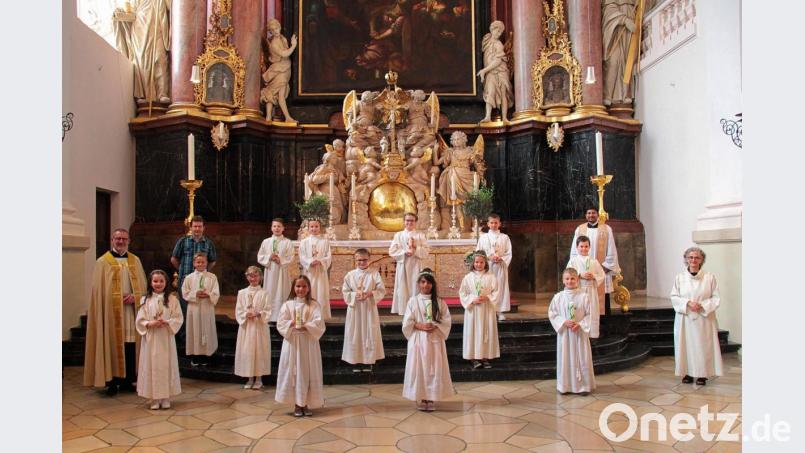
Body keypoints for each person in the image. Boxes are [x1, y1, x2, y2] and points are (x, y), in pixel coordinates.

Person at [84, 228, 148, 395]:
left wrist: (136, 297)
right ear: (112, 240)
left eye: (124, 239)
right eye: (117, 238)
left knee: (130, 345)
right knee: (111, 343)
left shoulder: (136, 261)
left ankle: (128, 381)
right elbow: (98, 292)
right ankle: (112, 381)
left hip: (132, 312)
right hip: (111, 314)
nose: (120, 242)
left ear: (129, 241)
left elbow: (143, 286)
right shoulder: (102, 262)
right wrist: (114, 298)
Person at [402, 268, 454, 411]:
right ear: (418, 283)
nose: (426, 285)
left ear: (433, 284)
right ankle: (421, 396)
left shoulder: (439, 302)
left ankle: (431, 397)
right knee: (420, 368)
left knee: (433, 368)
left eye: (429, 282)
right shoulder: (413, 301)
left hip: (434, 340)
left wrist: (436, 325)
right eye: (423, 282)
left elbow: (447, 320)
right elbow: (407, 322)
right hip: (418, 340)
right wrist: (419, 325)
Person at [671, 247, 723, 386]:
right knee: (685, 344)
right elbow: (674, 296)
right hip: (686, 317)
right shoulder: (680, 278)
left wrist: (703, 305)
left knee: (703, 345)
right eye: (691, 257)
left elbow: (716, 298)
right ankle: (687, 372)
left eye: (697, 257)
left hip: (703, 318)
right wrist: (687, 303)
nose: (693, 260)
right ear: (686, 259)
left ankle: (702, 374)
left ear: (702, 260)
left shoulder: (709, 277)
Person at [275, 276, 326, 417]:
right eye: (298, 286)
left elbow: (319, 323)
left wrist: (306, 326)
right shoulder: (287, 305)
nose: (300, 289)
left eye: (304, 286)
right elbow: (280, 323)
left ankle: (306, 403)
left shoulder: (314, 305)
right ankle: (297, 404)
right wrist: (291, 323)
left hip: (308, 343)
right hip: (292, 343)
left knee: (307, 372)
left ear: (308, 288)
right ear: (293, 288)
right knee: (294, 372)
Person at [135, 270, 183, 410]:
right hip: (152, 338)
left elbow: (178, 317)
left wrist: (168, 322)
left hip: (166, 338)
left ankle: (166, 397)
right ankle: (154, 398)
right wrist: (149, 324)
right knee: (152, 366)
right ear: (150, 283)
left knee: (165, 366)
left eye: (161, 281)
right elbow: (140, 319)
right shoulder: (145, 300)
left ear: (166, 282)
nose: (158, 284)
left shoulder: (172, 300)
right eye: (155, 281)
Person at [113, 0, 171, 105]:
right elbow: (131, 14)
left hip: (156, 30)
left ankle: (162, 93)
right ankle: (146, 94)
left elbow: (172, 6)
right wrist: (120, 15)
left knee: (160, 59)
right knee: (142, 63)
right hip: (139, 31)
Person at [548, 268, 595, 394]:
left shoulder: (584, 297)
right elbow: (552, 314)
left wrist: (580, 324)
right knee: (565, 358)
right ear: (563, 280)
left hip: (579, 333)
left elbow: (590, 315)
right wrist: (563, 322)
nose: (570, 281)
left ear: (577, 280)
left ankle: (583, 386)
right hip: (565, 333)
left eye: (573, 278)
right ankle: (565, 386)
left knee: (581, 357)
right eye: (567, 279)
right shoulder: (558, 297)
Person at [342, 248, 387, 372]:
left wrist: (370, 293)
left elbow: (382, 290)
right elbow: (345, 291)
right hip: (355, 309)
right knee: (355, 332)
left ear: (369, 260)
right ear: (355, 260)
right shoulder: (350, 275)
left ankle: (369, 360)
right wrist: (353, 295)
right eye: (359, 260)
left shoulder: (374, 274)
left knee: (369, 331)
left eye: (364, 260)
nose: (362, 262)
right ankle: (354, 360)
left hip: (368, 308)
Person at [171, 215, 217, 335]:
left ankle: (200, 333)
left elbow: (212, 260)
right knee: (185, 307)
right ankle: (185, 335)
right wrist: (182, 271)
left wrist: (204, 272)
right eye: (195, 226)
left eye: (200, 226)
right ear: (191, 227)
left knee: (200, 307)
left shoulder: (208, 243)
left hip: (202, 280)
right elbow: (174, 259)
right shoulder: (183, 241)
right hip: (185, 279)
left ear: (204, 228)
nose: (197, 229)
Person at [570, 208, 619, 315]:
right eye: (588, 213)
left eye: (593, 213)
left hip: (600, 271)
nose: (591, 215)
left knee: (602, 303)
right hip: (582, 275)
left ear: (597, 215)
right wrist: (578, 272)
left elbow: (611, 249)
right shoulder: (579, 229)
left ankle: (603, 325)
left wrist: (603, 269)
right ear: (585, 215)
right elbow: (574, 251)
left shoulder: (606, 229)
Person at [459, 251, 500, 370]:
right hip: (474, 310)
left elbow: (496, 291)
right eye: (476, 262)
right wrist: (472, 300)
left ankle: (485, 357)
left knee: (485, 332)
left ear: (485, 263)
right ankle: (474, 358)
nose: (478, 264)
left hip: (486, 309)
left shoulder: (491, 276)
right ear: (473, 263)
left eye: (481, 262)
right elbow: (462, 293)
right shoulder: (468, 277)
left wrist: (488, 297)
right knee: (473, 332)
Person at [234, 266, 272, 390]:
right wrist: (245, 314)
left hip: (259, 327)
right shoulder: (242, 293)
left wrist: (259, 313)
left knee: (259, 351)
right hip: (247, 327)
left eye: (255, 275)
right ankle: (249, 378)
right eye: (250, 275)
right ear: (247, 277)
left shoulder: (264, 293)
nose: (253, 278)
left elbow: (268, 309)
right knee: (248, 351)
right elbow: (238, 310)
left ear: (260, 277)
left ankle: (259, 379)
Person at [181, 252, 220, 366]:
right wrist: (195, 294)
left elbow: (216, 292)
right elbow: (185, 292)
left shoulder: (212, 277)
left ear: (207, 263)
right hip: (194, 308)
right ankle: (195, 356)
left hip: (207, 307)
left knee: (207, 329)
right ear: (194, 263)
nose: (200, 264)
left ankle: (207, 355)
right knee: (195, 330)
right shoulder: (189, 278)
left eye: (203, 262)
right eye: (198, 262)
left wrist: (208, 294)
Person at [389, 212, 429, 315]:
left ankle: (417, 310)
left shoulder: (420, 235)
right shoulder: (398, 235)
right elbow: (392, 251)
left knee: (416, 286)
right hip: (403, 265)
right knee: (403, 288)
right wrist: (404, 252)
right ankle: (404, 310)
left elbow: (426, 252)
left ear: (415, 222)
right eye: (407, 220)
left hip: (416, 265)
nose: (409, 222)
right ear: (404, 222)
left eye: (412, 220)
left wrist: (416, 248)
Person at [566, 235, 605, 338]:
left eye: (586, 246)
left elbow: (602, 275)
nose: (584, 249)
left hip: (591, 291)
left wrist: (594, 276)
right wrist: (579, 275)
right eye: (581, 246)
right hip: (579, 291)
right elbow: (568, 275)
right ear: (577, 247)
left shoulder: (594, 261)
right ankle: (580, 333)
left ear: (589, 247)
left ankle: (592, 334)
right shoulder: (573, 261)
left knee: (592, 312)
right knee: (580, 311)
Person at [476, 213, 512, 320]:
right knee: (488, 287)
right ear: (488, 224)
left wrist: (501, 258)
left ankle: (500, 311)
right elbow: (478, 252)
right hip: (487, 267)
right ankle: (489, 310)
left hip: (500, 266)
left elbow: (509, 252)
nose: (493, 225)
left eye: (496, 223)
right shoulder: (483, 238)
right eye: (491, 222)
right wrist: (488, 257)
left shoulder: (504, 237)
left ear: (499, 224)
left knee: (500, 287)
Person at [257, 219, 294, 322]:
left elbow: (291, 256)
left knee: (281, 291)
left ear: (283, 228)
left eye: (279, 226)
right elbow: (260, 256)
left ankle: (281, 316)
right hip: (270, 271)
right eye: (274, 226)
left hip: (282, 271)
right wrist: (269, 257)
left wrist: (280, 260)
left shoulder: (287, 242)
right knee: (270, 291)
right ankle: (269, 315)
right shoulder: (266, 241)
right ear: (271, 228)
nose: (276, 228)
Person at [262, 18, 297, 122]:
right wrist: (294, 45)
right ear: (270, 32)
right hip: (279, 71)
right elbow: (284, 54)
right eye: (273, 30)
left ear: (280, 27)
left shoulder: (282, 38)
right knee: (275, 93)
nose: (276, 31)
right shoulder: (273, 44)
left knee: (273, 92)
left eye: (277, 28)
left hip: (285, 69)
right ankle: (286, 117)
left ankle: (269, 118)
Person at [477, 20, 513, 122]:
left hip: (501, 71)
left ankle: (505, 118)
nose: (499, 34)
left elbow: (498, 61)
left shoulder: (498, 44)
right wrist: (486, 70)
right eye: (497, 31)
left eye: (500, 33)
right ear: (492, 29)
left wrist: (484, 70)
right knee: (490, 91)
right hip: (490, 72)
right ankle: (488, 116)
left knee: (503, 94)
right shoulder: (487, 41)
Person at [298, 219, 333, 320]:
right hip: (309, 272)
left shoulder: (325, 242)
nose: (314, 229)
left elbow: (328, 256)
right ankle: (308, 315)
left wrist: (320, 261)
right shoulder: (304, 242)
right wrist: (309, 262)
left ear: (320, 228)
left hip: (320, 271)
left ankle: (321, 315)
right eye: (311, 227)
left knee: (321, 291)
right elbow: (302, 256)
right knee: (309, 290)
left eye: (316, 226)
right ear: (308, 228)